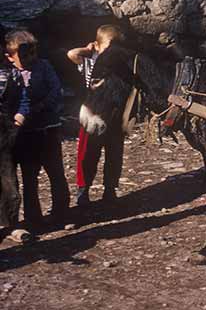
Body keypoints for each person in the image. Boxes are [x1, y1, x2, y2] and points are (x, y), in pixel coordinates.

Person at [5, 30, 69, 229]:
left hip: (48, 127)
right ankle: (34, 218)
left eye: (32, 53)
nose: (30, 58)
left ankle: (61, 212)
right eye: (24, 55)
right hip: (25, 133)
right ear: (10, 56)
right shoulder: (9, 74)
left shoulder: (44, 67)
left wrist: (38, 108)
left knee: (55, 170)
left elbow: (55, 91)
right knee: (29, 176)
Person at [68, 25, 125, 207]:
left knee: (114, 154)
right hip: (92, 114)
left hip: (114, 115)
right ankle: (83, 190)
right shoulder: (90, 60)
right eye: (109, 47)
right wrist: (89, 49)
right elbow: (71, 54)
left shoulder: (119, 64)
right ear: (97, 46)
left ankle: (110, 189)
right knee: (87, 154)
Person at [0, 51, 30, 243]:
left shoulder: (11, 73)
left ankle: (9, 224)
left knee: (8, 180)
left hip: (4, 131)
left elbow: (23, 98)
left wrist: (20, 116)